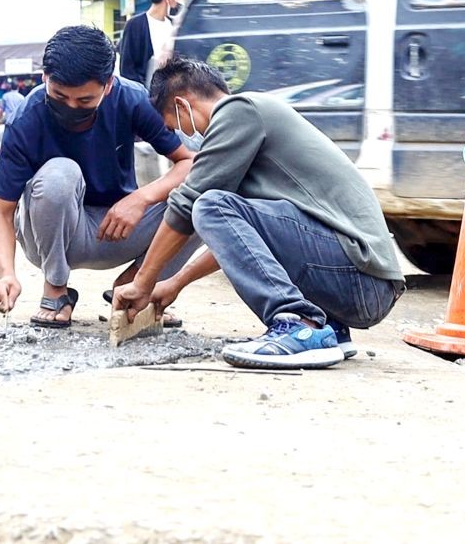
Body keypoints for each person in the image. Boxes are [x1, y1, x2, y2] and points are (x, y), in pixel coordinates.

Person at [113, 56, 405, 370]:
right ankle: (326, 329)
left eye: (175, 126)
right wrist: (176, 283)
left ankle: (297, 324)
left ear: (184, 105)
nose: (183, 135)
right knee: (215, 207)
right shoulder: (249, 127)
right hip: (362, 285)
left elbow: (189, 205)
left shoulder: (240, 111)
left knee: (208, 204)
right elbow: (242, 241)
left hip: (360, 276)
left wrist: (143, 281)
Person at [0, 26, 202, 329]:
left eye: (85, 101)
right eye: (59, 96)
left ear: (109, 86)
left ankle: (137, 286)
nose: (71, 107)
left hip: (116, 229)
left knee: (204, 198)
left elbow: (190, 163)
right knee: (61, 173)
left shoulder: (132, 99)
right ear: (44, 78)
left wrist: (142, 198)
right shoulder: (27, 117)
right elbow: (0, 211)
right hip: (52, 236)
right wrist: (5, 274)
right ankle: (56, 291)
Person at [118, 0, 185, 86]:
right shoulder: (135, 25)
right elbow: (127, 69)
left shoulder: (174, 25)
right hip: (145, 95)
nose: (181, 3)